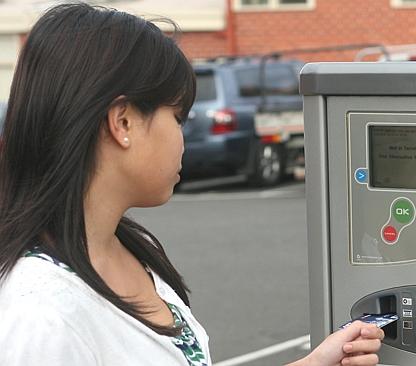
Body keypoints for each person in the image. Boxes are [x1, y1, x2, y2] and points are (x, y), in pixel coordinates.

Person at [0, 4, 384, 365]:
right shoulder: (42, 315)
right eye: (178, 116)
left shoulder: (133, 249)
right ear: (123, 123)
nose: (182, 135)